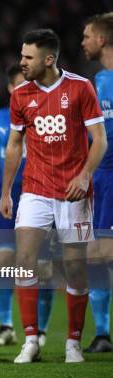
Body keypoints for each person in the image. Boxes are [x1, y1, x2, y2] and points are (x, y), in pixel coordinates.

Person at [0, 29, 107, 363]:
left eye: (28, 57)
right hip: (35, 190)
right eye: (21, 56)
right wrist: (6, 191)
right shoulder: (20, 95)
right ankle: (31, 339)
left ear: (49, 59)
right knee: (25, 259)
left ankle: (73, 341)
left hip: (74, 195)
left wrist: (84, 174)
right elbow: (15, 145)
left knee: (74, 267)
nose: (22, 63)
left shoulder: (79, 88)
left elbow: (99, 140)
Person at [0, 65, 54, 348]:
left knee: (42, 267)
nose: (27, 88)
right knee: (4, 261)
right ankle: (6, 325)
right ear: (10, 88)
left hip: (41, 196)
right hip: (8, 200)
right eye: (21, 84)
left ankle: (41, 329)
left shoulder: (46, 112)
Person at [81, 12, 113, 353]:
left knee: (105, 252)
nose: (83, 42)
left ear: (102, 39)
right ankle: (102, 333)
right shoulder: (98, 80)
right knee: (95, 255)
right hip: (100, 179)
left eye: (87, 36)